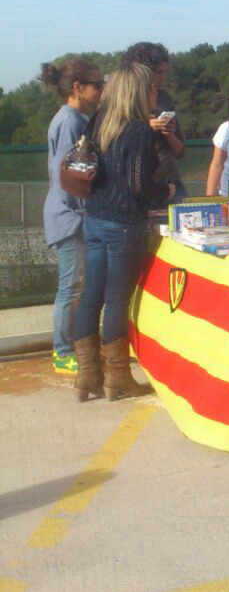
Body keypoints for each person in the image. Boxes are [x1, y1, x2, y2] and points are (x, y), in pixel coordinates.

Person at [70, 63, 170, 403]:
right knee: (117, 301)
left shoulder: (98, 121)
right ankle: (118, 377)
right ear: (140, 92)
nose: (156, 93)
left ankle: (87, 375)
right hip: (124, 223)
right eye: (152, 88)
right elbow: (139, 186)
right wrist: (166, 192)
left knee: (90, 296)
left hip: (95, 217)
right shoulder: (140, 131)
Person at [41, 59, 104, 373]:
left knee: (77, 285)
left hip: (70, 214)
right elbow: (67, 171)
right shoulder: (70, 121)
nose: (101, 90)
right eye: (96, 85)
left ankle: (72, 346)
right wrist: (80, 211)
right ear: (77, 87)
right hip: (69, 217)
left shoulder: (74, 119)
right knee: (71, 286)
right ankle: (62, 352)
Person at [120, 42, 186, 203]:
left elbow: (181, 152)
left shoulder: (164, 97)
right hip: (137, 187)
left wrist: (170, 135)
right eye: (157, 72)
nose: (162, 77)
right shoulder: (119, 103)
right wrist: (146, 127)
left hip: (170, 182)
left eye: (164, 72)